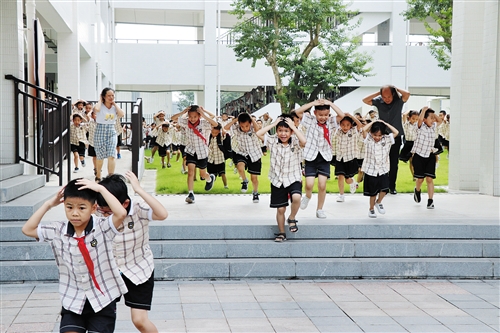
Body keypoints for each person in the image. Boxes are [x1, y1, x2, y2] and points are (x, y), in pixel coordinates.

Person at [21, 178, 128, 333]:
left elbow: (121, 213)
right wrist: (48, 204)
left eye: (82, 208)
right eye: (69, 207)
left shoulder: (102, 227)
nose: (75, 213)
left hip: (103, 299)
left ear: (93, 208)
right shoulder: (58, 230)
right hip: (73, 299)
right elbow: (28, 229)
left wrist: (101, 189)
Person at [96, 172, 168, 333]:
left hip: (139, 268)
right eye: (103, 211)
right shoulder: (98, 210)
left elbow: (162, 214)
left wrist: (139, 189)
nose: (106, 215)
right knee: (101, 320)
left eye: (109, 212)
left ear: (125, 203)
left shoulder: (137, 208)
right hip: (109, 271)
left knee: (139, 321)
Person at [256, 115, 306, 242]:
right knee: (281, 208)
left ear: (291, 131)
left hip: (293, 177)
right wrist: (273, 124)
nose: (283, 134)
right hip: (277, 180)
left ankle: (292, 218)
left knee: (296, 197)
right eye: (280, 131)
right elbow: (258, 133)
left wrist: (294, 127)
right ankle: (282, 233)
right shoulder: (272, 140)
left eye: (286, 131)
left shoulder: (295, 140)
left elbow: (304, 141)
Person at [295, 99, 345, 219]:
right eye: (320, 115)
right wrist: (313, 103)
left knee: (322, 185)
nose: (323, 117)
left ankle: (320, 209)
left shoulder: (331, 122)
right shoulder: (310, 120)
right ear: (315, 113)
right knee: (309, 184)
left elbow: (342, 115)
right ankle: (307, 196)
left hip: (324, 157)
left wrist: (331, 104)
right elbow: (297, 112)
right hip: (311, 156)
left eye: (326, 115)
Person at [362, 85, 410, 194]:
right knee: (379, 161)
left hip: (395, 136)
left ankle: (391, 186)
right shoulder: (379, 101)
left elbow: (407, 94)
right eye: (384, 97)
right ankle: (380, 185)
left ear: (393, 94)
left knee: (393, 163)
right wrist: (379, 94)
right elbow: (365, 100)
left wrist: (395, 88)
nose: (386, 99)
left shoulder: (399, 101)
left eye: (388, 96)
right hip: (380, 136)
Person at [171, 105, 218, 203]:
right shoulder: (185, 122)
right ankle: (191, 194)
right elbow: (173, 118)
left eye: (195, 117)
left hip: (202, 152)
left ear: (199, 116)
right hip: (191, 150)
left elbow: (215, 124)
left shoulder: (204, 123)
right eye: (190, 117)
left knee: (202, 174)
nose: (192, 119)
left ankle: (210, 179)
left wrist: (203, 114)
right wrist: (183, 112)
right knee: (191, 172)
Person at [361, 120, 399, 218]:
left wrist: (385, 124)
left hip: (383, 169)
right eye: (375, 135)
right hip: (371, 170)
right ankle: (371, 209)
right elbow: (363, 129)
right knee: (372, 193)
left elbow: (396, 132)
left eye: (379, 135)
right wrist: (374, 122)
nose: (377, 137)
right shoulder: (368, 138)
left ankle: (379, 202)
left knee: (385, 189)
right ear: (371, 133)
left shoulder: (386, 139)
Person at [224, 112, 263, 203]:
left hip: (254, 154)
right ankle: (245, 181)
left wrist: (251, 118)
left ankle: (255, 193)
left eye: (247, 126)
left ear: (250, 123)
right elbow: (226, 128)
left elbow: (258, 130)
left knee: (254, 177)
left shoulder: (253, 128)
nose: (245, 128)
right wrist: (236, 120)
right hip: (241, 152)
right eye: (242, 126)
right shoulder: (236, 128)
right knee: (240, 168)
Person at [411, 106, 442, 209]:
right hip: (419, 156)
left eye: (433, 118)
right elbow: (420, 120)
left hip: (430, 156)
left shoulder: (433, 127)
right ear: (424, 119)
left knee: (429, 178)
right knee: (420, 179)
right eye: (431, 118)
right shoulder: (419, 126)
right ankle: (417, 190)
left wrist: (432, 113)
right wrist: (424, 111)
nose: (433, 120)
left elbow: (440, 120)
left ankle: (430, 200)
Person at [93, 87, 125, 182]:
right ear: (104, 96)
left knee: (112, 154)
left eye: (112, 96)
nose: (111, 97)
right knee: (100, 156)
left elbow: (122, 114)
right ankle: (98, 174)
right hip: (100, 130)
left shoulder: (115, 107)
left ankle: (111, 177)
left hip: (111, 130)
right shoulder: (100, 105)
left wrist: (114, 104)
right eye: (108, 96)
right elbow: (96, 109)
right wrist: (100, 99)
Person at [333, 113, 363, 202]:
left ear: (351, 125)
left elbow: (360, 125)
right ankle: (341, 195)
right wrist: (340, 116)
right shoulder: (338, 131)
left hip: (350, 158)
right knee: (340, 176)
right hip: (340, 158)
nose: (345, 127)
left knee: (347, 180)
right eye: (343, 125)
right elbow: (335, 122)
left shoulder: (353, 131)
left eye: (347, 125)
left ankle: (352, 182)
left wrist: (351, 116)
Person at [207, 123, 230, 189]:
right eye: (213, 132)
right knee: (211, 173)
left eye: (216, 133)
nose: (214, 134)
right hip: (211, 158)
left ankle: (225, 185)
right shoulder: (209, 135)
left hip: (219, 158)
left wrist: (221, 126)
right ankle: (210, 184)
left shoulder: (220, 137)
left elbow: (224, 132)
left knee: (222, 173)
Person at [399, 110, 419, 179]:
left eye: (416, 119)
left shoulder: (417, 125)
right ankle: (413, 175)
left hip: (416, 144)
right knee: (411, 161)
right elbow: (404, 115)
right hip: (408, 143)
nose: (414, 120)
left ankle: (416, 174)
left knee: (414, 160)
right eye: (413, 118)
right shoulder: (406, 124)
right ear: (409, 118)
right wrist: (410, 111)